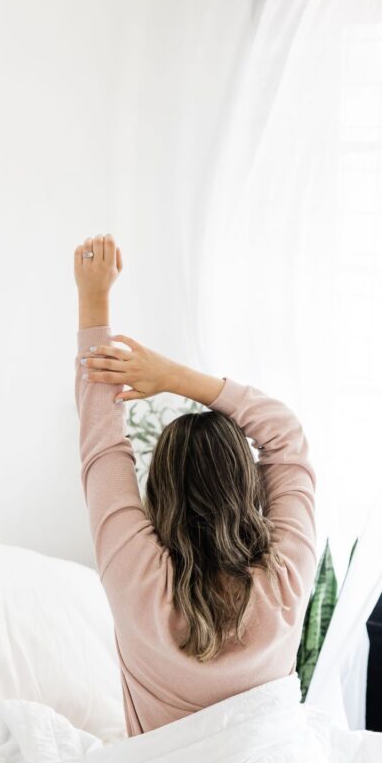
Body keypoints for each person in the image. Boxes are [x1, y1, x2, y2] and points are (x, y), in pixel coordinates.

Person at [74, 233, 318, 736]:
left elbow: (102, 447)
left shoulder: (136, 576)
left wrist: (93, 299)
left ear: (159, 492)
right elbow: (287, 438)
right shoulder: (285, 578)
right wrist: (175, 377)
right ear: (249, 487)